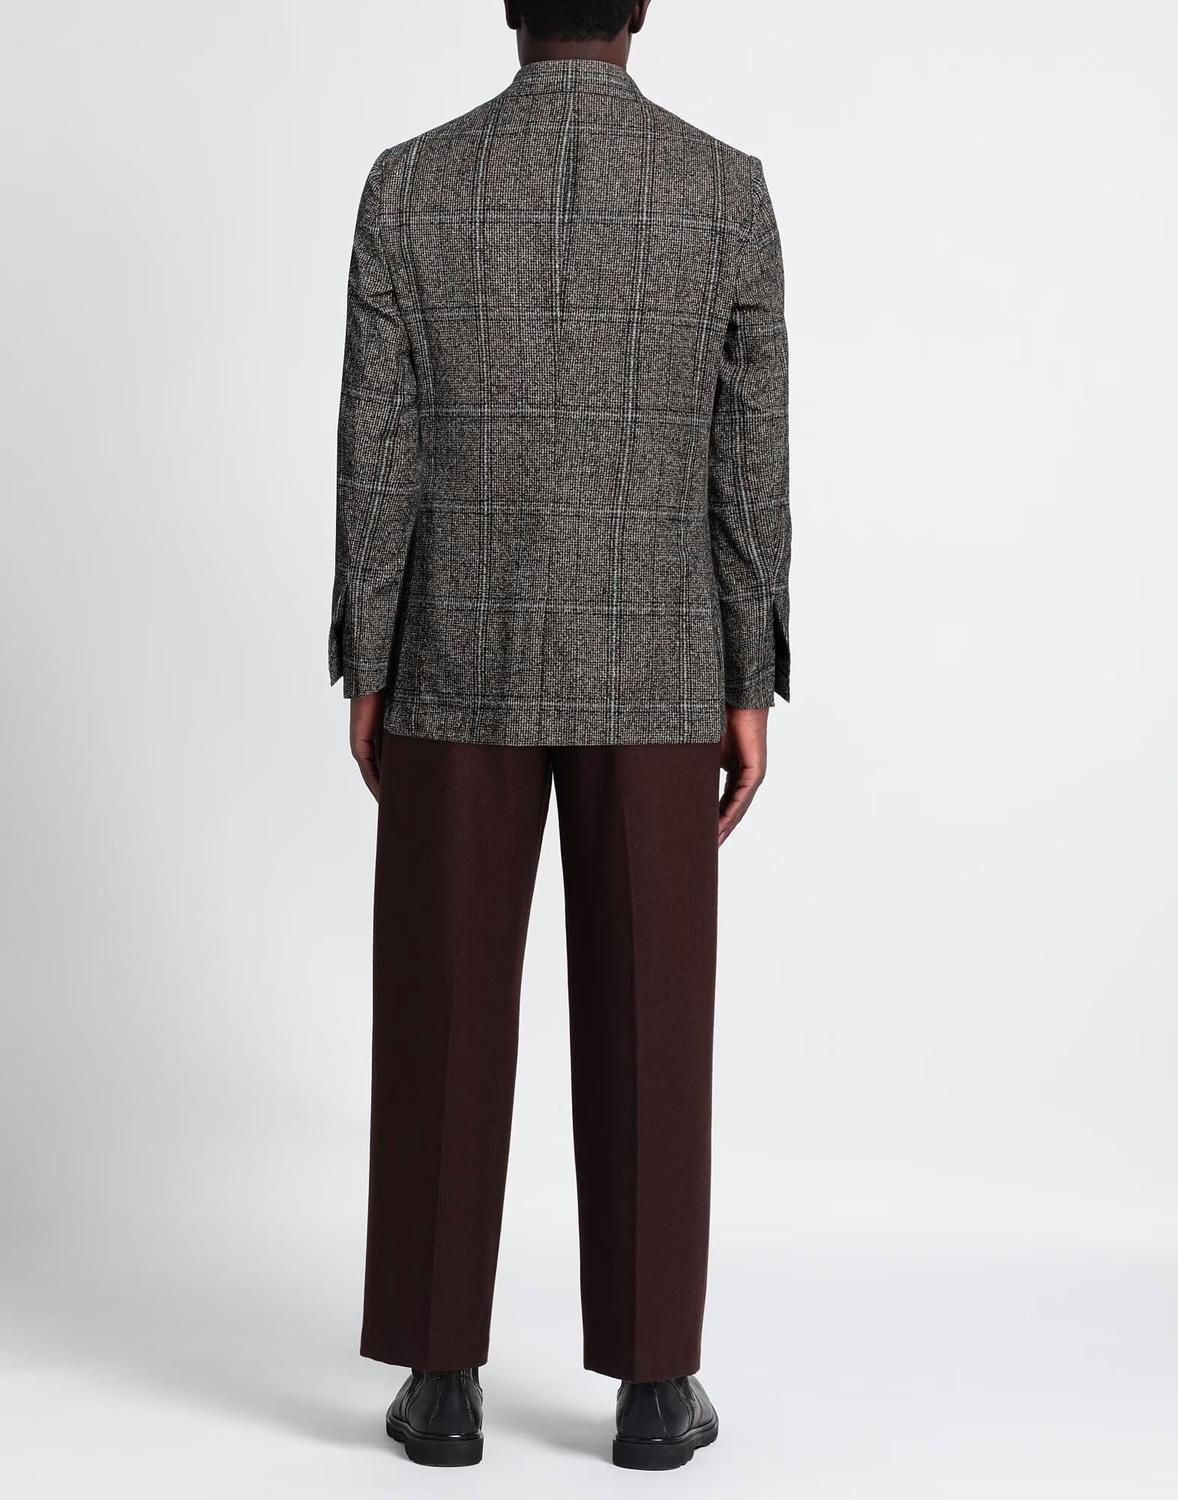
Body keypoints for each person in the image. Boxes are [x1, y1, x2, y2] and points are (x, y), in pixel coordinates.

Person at [328, 0, 789, 1471]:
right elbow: (747, 455)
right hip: (659, 665)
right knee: (654, 1018)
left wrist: (368, 659)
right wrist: (749, 672)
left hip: (457, 657)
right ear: (639, 11)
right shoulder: (721, 189)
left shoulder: (411, 183)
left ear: (512, 10)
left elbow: (377, 446)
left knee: (441, 1008)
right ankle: (654, 1388)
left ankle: (439, 1381)